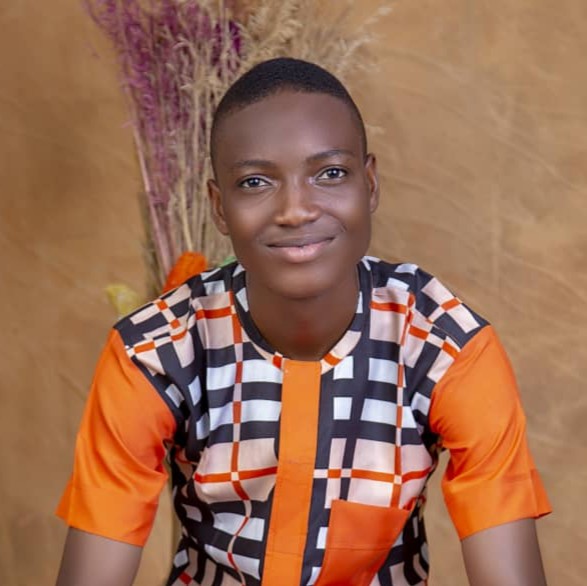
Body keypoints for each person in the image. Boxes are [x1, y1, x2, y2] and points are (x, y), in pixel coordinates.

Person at [55, 58, 551, 586]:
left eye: (330, 173)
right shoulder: (154, 353)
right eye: (255, 182)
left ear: (370, 184)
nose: (295, 210)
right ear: (219, 207)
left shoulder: (444, 348)